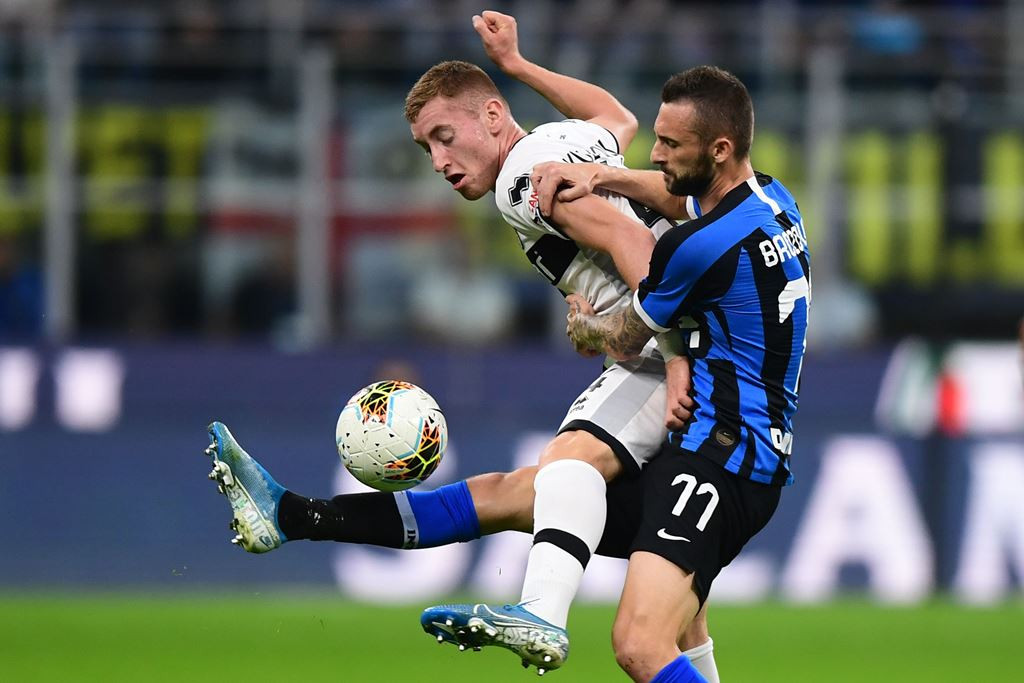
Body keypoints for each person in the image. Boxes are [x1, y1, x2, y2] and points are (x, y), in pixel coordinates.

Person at [201, 11, 714, 681]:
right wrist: (522, 65)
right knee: (550, 517)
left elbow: (635, 246)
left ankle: (542, 613)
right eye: (426, 149)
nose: (440, 161)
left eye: (446, 136)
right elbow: (615, 114)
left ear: (495, 118)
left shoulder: (521, 182)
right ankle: (293, 515)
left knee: (566, 466)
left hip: (678, 353)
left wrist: (675, 358)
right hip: (683, 344)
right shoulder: (564, 140)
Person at [525, 65, 810, 683]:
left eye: (670, 146)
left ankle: (537, 606)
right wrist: (602, 173)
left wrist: (586, 328)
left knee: (637, 643)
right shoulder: (773, 200)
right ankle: (309, 516)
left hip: (722, 453)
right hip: (745, 447)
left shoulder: (697, 248)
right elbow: (676, 195)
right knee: (676, 621)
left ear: (720, 148)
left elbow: (629, 337)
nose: (655, 155)